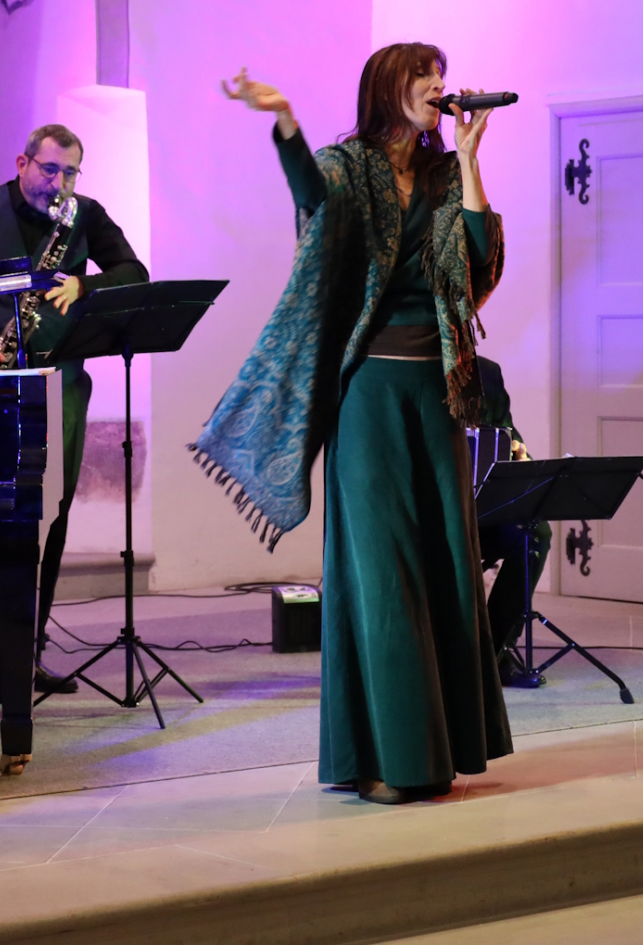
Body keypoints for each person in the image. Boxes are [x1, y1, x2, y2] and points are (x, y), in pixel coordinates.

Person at [202, 43, 512, 804]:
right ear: (389, 87)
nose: (438, 86)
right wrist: (285, 122)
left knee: (445, 565)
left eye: (441, 75)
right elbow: (314, 200)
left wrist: (471, 159)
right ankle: (388, 758)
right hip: (368, 391)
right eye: (423, 75)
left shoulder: (445, 173)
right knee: (381, 573)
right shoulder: (350, 166)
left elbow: (478, 262)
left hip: (437, 390)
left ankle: (438, 751)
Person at [0, 124, 149, 700]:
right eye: (50, 170)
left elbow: (134, 272)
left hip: (61, 383)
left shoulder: (84, 214)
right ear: (22, 162)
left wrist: (83, 284)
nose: (59, 183)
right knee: (4, 522)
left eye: (70, 172)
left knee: (51, 519)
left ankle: (27, 654)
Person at [472, 355, 552, 684]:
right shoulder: (410, 367)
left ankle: (495, 653)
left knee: (533, 533)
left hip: (479, 510)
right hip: (425, 514)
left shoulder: (485, 372)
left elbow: (509, 439)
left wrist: (520, 457)